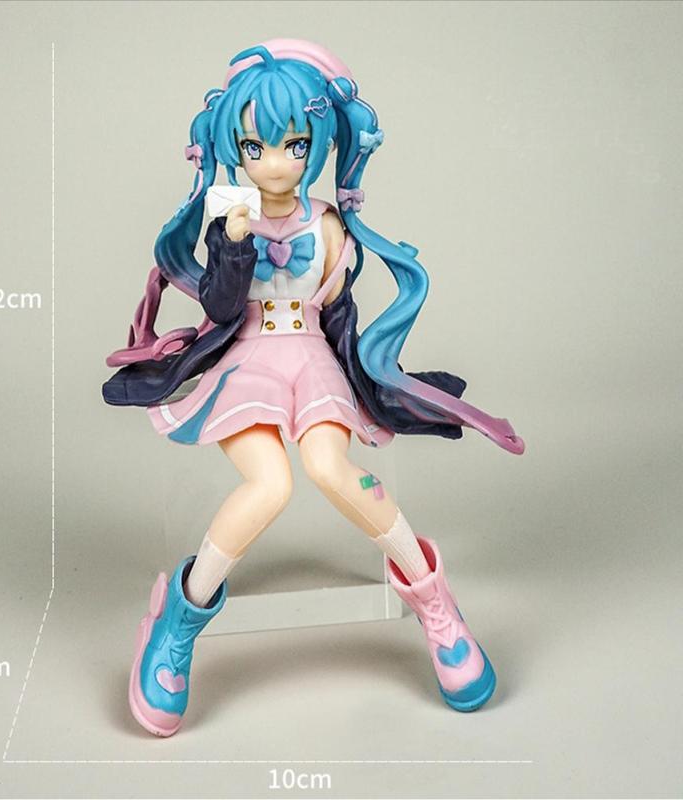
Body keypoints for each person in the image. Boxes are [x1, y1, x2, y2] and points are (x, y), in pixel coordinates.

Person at [103, 38, 524, 737]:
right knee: (269, 485)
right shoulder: (229, 213)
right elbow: (221, 306)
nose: (275, 163)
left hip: (311, 360)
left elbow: (335, 311)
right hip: (247, 362)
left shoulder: (328, 223)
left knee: (331, 467)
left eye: (294, 145)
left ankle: (434, 602)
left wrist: (374, 374)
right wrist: (235, 242)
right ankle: (180, 615)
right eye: (256, 146)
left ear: (318, 145)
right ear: (232, 147)